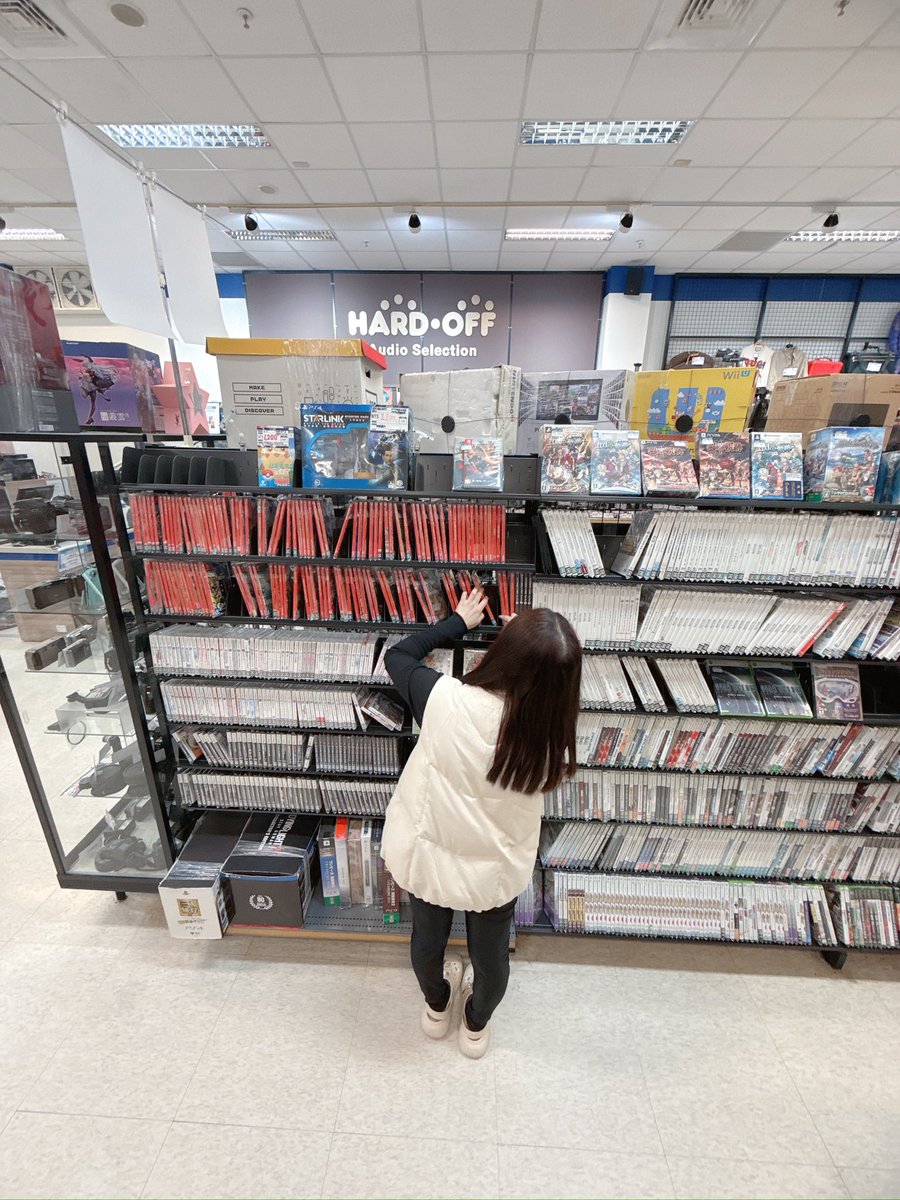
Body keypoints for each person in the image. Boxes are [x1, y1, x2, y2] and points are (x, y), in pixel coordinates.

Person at [381, 591, 582, 1059]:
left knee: (427, 941)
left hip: (430, 851)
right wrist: (531, 648)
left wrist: (457, 622)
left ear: (503, 654)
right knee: (491, 958)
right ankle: (475, 1026)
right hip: (495, 867)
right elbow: (543, 683)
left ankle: (436, 1009)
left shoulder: (444, 700)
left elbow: (398, 656)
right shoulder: (552, 734)